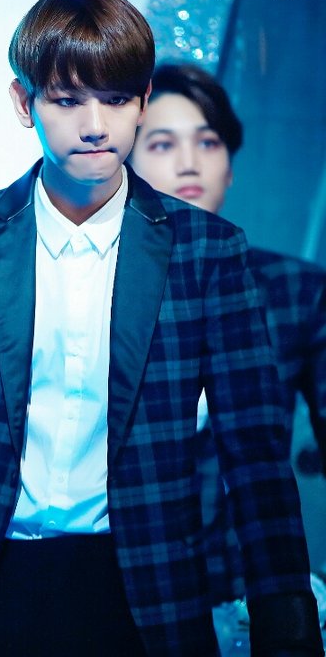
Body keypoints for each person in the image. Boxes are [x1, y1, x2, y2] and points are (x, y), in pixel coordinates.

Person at [0, 0, 324, 657]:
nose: (96, 125)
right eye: (68, 101)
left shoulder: (207, 251)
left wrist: (288, 633)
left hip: (145, 596)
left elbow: (255, 458)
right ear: (25, 103)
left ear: (142, 101)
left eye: (117, 99)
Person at [130, 61, 326, 608]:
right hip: (106, 581)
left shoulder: (294, 292)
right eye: (163, 144)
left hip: (238, 591)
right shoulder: (86, 284)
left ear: (230, 167)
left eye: (208, 142)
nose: (189, 162)